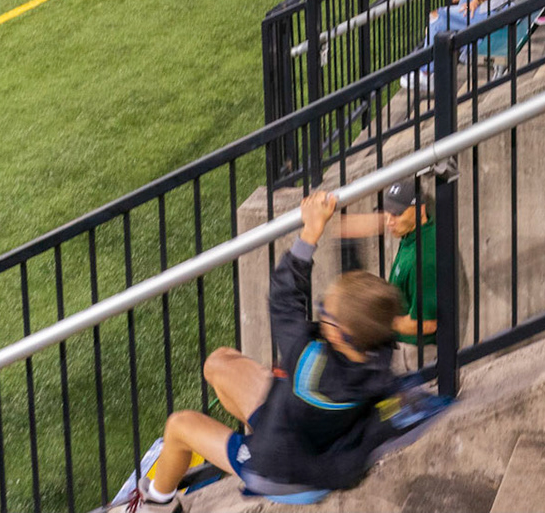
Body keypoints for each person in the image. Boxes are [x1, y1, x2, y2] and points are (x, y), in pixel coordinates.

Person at [115, 190, 405, 506]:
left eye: (325, 312)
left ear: (340, 335)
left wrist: (311, 231)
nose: (320, 312)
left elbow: (284, 298)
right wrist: (344, 234)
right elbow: (359, 308)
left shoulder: (309, 362)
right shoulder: (377, 352)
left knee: (179, 425)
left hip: (281, 471)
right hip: (307, 433)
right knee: (219, 363)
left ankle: (156, 501)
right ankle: (261, 435)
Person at [335, 182, 440, 349]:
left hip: (413, 352)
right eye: (387, 213)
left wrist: (377, 321)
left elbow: (427, 323)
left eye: (396, 214)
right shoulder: (413, 233)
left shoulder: (424, 259)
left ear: (420, 210)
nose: (389, 221)